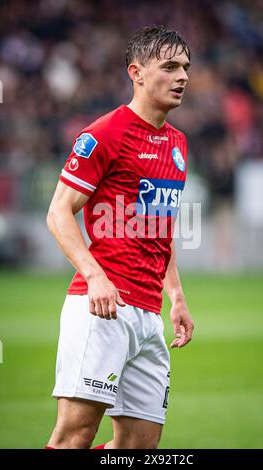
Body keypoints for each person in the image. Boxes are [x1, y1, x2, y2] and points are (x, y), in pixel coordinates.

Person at [46, 25, 195, 450]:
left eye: (185, 67)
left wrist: (177, 297)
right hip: (102, 308)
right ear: (137, 73)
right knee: (75, 434)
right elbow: (58, 212)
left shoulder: (177, 143)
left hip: (148, 314)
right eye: (170, 67)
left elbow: (158, 228)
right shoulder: (105, 133)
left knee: (139, 445)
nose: (182, 76)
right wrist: (94, 275)